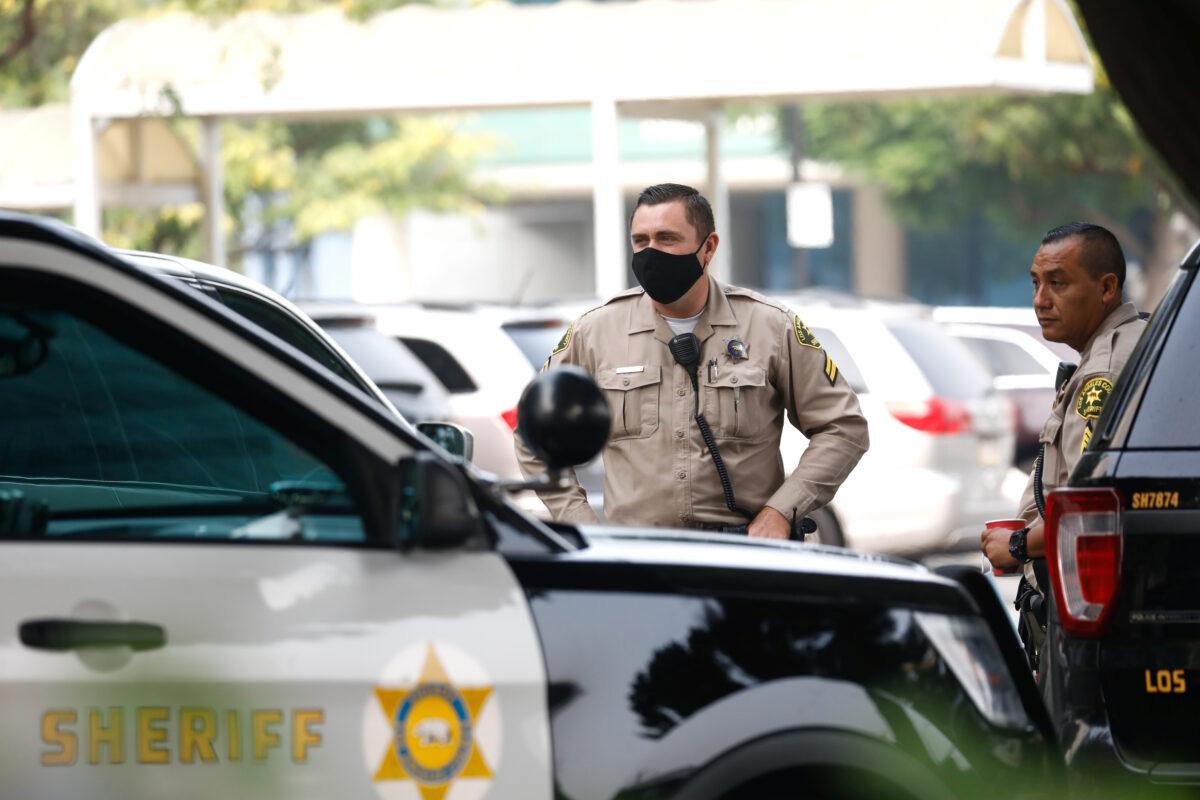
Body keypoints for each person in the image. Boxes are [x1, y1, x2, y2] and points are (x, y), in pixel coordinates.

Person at [516, 183, 869, 539]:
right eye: (641, 241)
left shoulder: (770, 325)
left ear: (708, 247)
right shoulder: (594, 332)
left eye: (667, 238)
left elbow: (843, 428)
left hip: (749, 554)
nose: (651, 253)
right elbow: (531, 435)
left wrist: (781, 510)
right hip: (640, 556)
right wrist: (582, 526)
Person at [981, 222, 1146, 666]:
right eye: (1036, 283)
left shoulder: (1103, 376)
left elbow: (1091, 504)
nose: (1040, 300)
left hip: (1090, 619)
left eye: (1058, 283)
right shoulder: (1125, 344)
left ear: (1107, 287)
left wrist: (1017, 546)